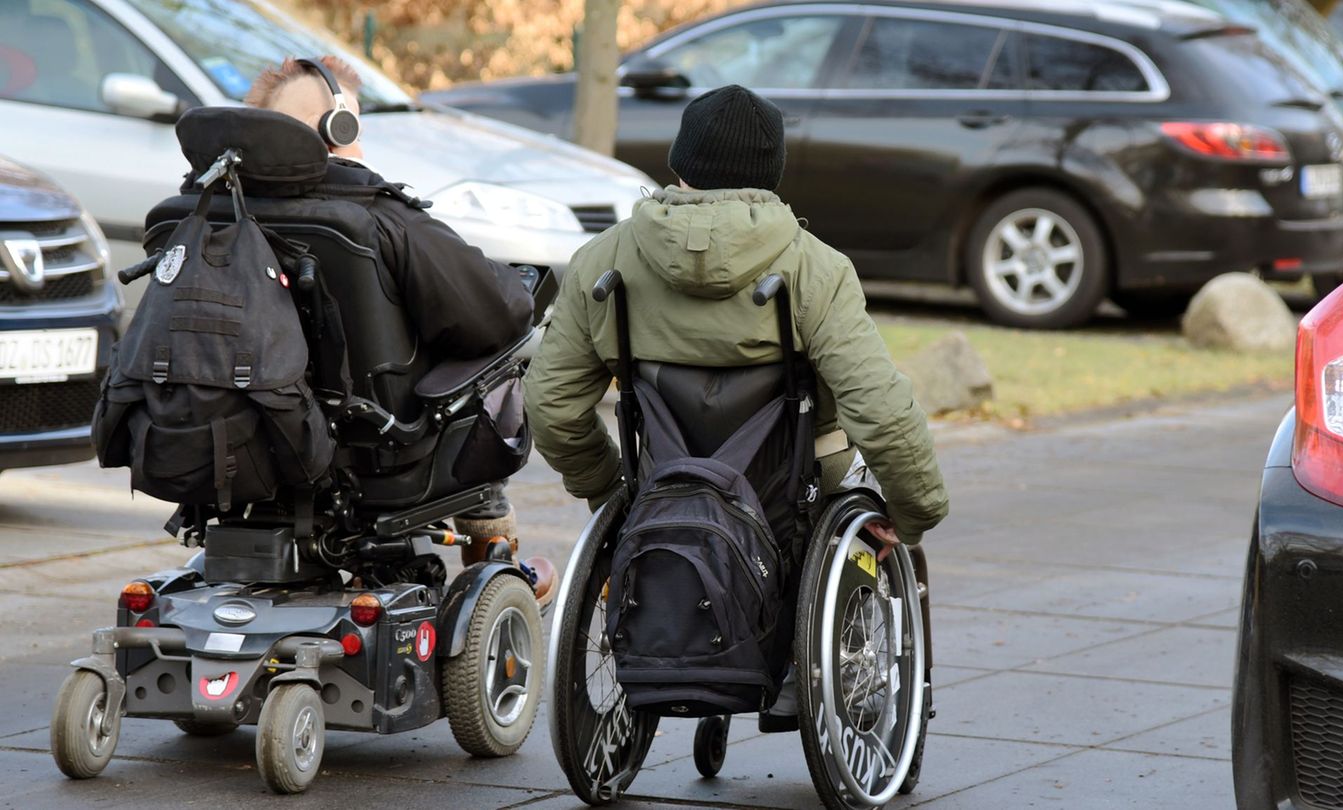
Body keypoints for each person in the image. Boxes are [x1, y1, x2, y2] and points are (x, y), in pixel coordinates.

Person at [525, 84, 949, 721]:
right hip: (800, 485)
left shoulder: (603, 263)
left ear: (679, 166)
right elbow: (880, 411)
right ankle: (843, 677)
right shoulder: (817, 269)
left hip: (660, 480)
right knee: (868, 506)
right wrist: (913, 513)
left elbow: (551, 403)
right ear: (771, 178)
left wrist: (607, 490)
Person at [246, 57, 551, 594]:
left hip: (247, 447)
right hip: (379, 455)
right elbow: (495, 314)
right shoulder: (378, 216)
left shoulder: (209, 214)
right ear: (338, 128)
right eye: (353, 123)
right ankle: (493, 566)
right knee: (493, 373)